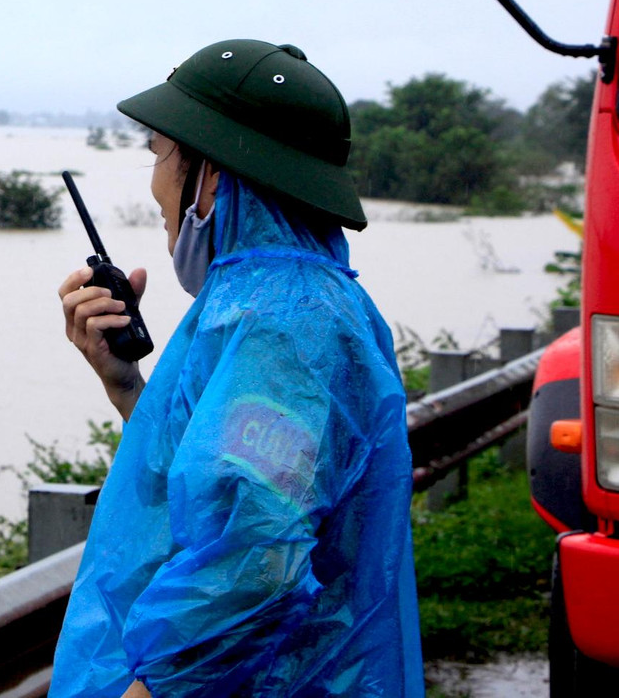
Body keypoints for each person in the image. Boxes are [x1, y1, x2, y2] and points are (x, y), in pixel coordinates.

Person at [50, 39, 423, 697]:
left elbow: (253, 564)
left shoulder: (283, 325)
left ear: (213, 175)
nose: (156, 186)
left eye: (161, 154)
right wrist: (127, 384)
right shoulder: (303, 304)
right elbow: (238, 489)